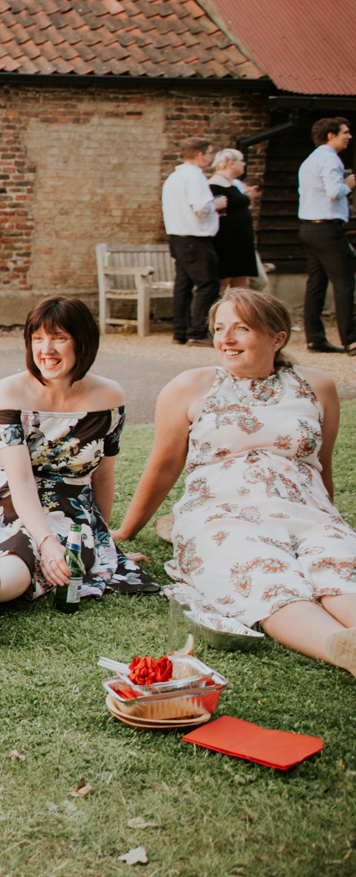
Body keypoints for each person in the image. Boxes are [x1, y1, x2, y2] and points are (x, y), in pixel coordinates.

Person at [113, 291, 356, 675]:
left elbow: (320, 465)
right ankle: (341, 650)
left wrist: (331, 520)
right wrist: (127, 530)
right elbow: (162, 467)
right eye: (220, 328)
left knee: (340, 568)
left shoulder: (317, 386)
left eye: (241, 329)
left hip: (308, 512)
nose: (225, 339)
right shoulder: (190, 387)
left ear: (277, 338)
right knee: (263, 576)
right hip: (222, 515)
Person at [0, 296, 145, 646]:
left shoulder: (109, 396)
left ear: (84, 342)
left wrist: (102, 543)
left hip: (70, 506)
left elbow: (103, 472)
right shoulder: (10, 391)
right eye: (37, 338)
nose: (47, 349)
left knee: (29, 553)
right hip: (4, 497)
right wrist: (47, 541)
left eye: (59, 338)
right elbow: (22, 479)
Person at [297, 116, 356, 355]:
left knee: (316, 283)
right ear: (331, 135)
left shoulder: (311, 159)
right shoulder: (331, 159)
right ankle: (351, 338)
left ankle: (315, 337)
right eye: (345, 132)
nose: (349, 136)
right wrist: (349, 184)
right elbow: (334, 192)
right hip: (326, 228)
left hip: (309, 226)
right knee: (345, 280)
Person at [161, 136, 220, 346]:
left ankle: (180, 332)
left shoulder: (173, 178)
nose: (212, 158)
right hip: (195, 236)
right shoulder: (195, 177)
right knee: (209, 284)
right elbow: (201, 207)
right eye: (211, 153)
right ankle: (197, 331)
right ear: (201, 154)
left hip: (177, 236)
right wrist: (217, 204)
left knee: (183, 286)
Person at [208, 148, 261, 291]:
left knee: (243, 282)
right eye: (242, 161)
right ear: (231, 163)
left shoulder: (232, 183)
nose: (244, 164)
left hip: (240, 240)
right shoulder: (215, 184)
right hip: (227, 240)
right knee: (224, 282)